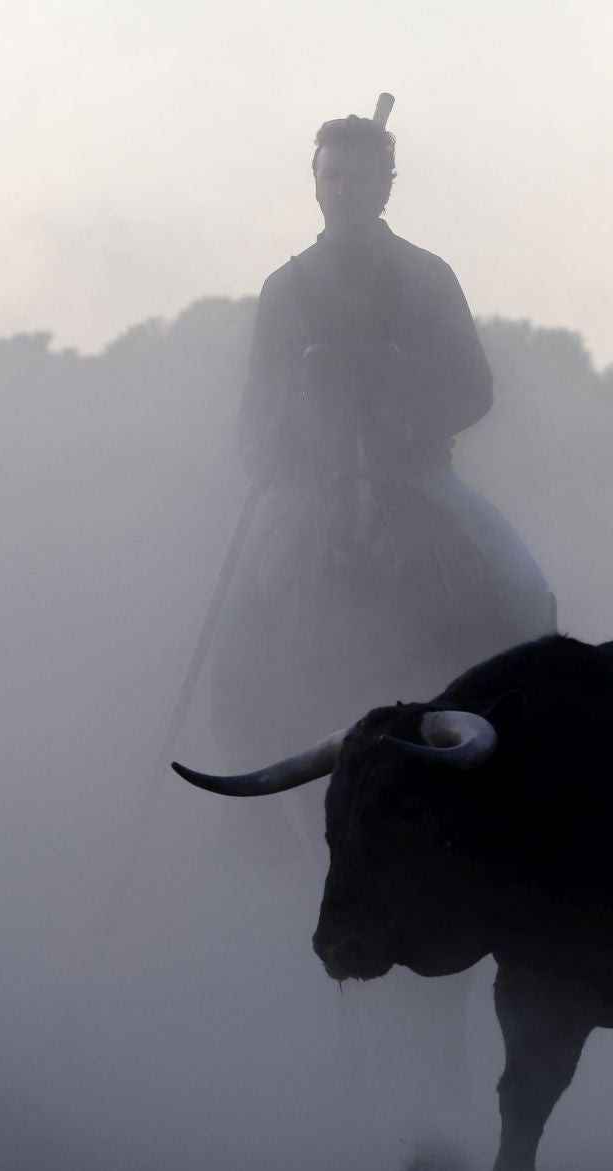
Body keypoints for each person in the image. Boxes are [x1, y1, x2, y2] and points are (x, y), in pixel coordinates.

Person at [202, 99, 553, 1117]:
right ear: (315, 183)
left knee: (523, 580)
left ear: (387, 186)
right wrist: (280, 447)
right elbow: (255, 411)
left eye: (364, 176)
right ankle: (249, 809)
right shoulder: (286, 287)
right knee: (238, 609)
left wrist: (406, 407)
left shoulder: (427, 276)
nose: (347, 188)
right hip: (312, 487)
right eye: (334, 175)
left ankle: (538, 742)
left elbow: (476, 386)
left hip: (418, 473)